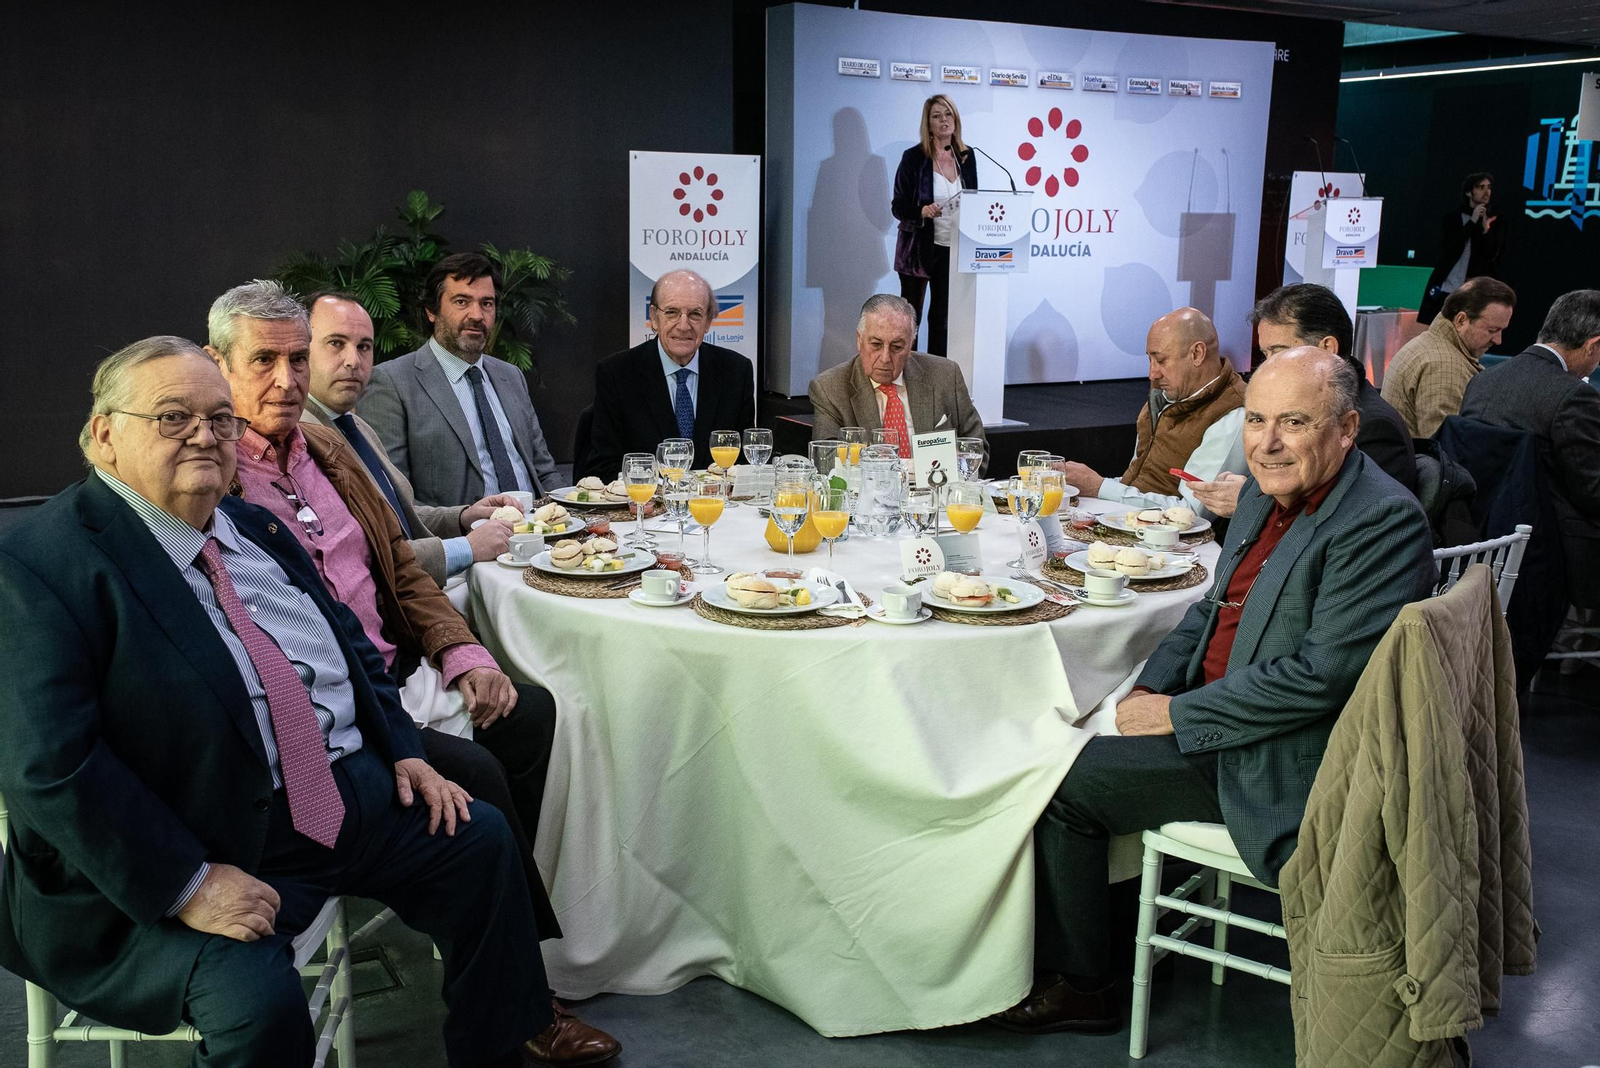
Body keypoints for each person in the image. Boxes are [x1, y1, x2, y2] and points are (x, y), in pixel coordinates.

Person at [0, 338, 600, 1068]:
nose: (204, 435)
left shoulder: (253, 529)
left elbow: (348, 648)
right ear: (103, 434)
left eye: (222, 420)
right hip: (191, 843)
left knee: (482, 843)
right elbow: (51, 768)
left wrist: (405, 752)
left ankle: (498, 1048)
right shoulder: (41, 563)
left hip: (332, 798)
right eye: (170, 417)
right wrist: (187, 883)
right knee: (259, 1013)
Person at [205, 282, 618, 1064]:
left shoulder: (324, 445)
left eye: (299, 359)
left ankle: (488, 936)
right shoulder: (216, 479)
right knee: (476, 789)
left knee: (526, 716)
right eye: (265, 361)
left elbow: (395, 561)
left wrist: (462, 652)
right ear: (217, 366)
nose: (289, 381)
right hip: (335, 712)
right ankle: (523, 996)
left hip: (394, 670)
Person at [992, 347, 1435, 1035]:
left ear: (1346, 429)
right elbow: (1208, 610)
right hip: (1223, 717)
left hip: (1284, 754)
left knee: (1056, 784)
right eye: (1256, 419)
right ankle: (1112, 927)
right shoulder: (1266, 490)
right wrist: (1140, 696)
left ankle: (1084, 984)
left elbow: (1322, 681)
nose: (1267, 442)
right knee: (1064, 728)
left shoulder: (1380, 520)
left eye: (1294, 421)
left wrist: (1175, 714)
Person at [302, 289, 521, 585]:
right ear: (301, 350)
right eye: (336, 343)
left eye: (364, 346)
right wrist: (466, 548)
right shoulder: (301, 439)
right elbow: (363, 557)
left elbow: (396, 518)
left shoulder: (353, 424)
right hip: (398, 606)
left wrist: (464, 516)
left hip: (426, 585)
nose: (353, 360)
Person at [361, 252, 561, 506]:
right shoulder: (392, 383)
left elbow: (545, 471)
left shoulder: (511, 376)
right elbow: (393, 499)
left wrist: (574, 516)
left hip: (540, 530)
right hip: (464, 539)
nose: (477, 315)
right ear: (432, 311)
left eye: (486, 303)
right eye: (461, 302)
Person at [1459, 288, 1600, 648]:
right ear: (1592, 345)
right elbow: (1593, 492)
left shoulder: (1482, 382)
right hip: (1548, 559)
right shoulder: (1574, 397)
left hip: (1478, 541)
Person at [1058, 307, 1245, 519]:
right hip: (1132, 525)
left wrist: (1099, 488)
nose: (1152, 374)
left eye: (1161, 360)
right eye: (1150, 359)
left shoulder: (1233, 415)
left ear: (1197, 354)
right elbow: (1137, 482)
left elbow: (1192, 513)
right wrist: (1085, 483)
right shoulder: (1164, 397)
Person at [583, 269, 754, 480]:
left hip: (715, 506)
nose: (683, 326)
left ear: (708, 321)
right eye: (672, 312)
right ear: (654, 317)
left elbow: (745, 462)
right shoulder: (617, 374)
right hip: (649, 507)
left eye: (695, 314)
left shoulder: (736, 371)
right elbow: (603, 466)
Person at [1251, 283, 1418, 493]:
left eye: (1280, 352)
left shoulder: (1376, 428)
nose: (1268, 367)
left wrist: (1252, 497)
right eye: (1265, 355)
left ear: (1327, 349)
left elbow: (1359, 516)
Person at [808, 293, 986, 465]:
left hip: (936, 491)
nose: (885, 357)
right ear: (859, 340)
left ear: (910, 345)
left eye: (897, 347)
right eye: (876, 345)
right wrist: (907, 469)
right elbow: (828, 461)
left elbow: (977, 451)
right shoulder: (830, 388)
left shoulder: (945, 375)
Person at [890, 94, 978, 357]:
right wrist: (921, 211)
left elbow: (974, 198)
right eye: (937, 116)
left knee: (942, 319)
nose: (943, 120)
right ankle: (906, 377)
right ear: (928, 124)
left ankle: (936, 378)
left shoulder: (967, 156)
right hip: (919, 251)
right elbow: (898, 205)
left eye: (948, 114)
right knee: (911, 321)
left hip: (953, 249)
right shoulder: (914, 158)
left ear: (956, 119)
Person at [1382, 277, 1516, 439]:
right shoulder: (1445, 367)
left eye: (1502, 330)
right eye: (1492, 330)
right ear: (1461, 320)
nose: (1498, 340)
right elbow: (1444, 448)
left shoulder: (1429, 345)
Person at [1418, 172, 1508, 325]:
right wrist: (1472, 221)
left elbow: (1492, 255)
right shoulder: (1453, 219)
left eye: (1489, 187)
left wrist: (1486, 230)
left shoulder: (1493, 220)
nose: (1486, 192)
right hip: (1451, 282)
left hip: (1476, 286)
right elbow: (1451, 247)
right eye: (1481, 187)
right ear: (1469, 192)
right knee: (1442, 324)